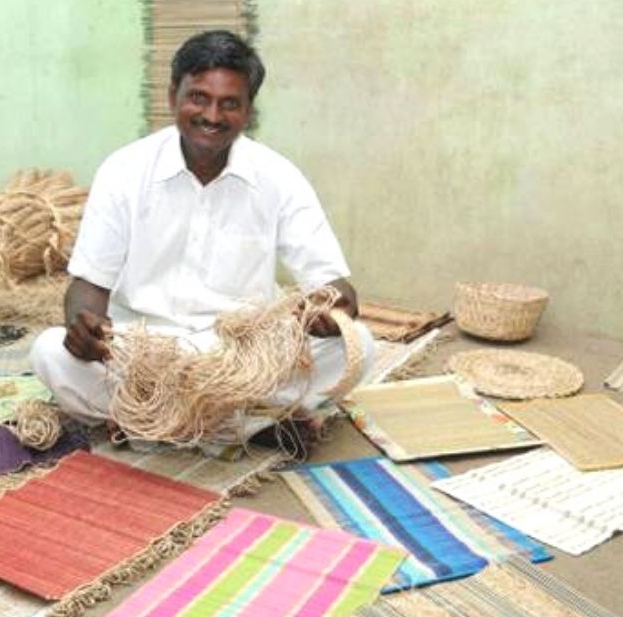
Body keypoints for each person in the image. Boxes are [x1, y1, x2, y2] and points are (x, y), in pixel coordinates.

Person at [29, 30, 375, 450]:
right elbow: (87, 287)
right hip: (144, 355)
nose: (212, 115)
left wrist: (333, 309)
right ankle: (241, 425)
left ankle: (153, 423)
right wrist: (82, 328)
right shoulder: (124, 171)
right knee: (49, 353)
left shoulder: (279, 177)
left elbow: (334, 285)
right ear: (174, 95)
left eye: (229, 103)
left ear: (249, 111)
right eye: (199, 98)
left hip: (241, 359)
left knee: (360, 348)